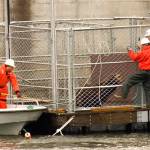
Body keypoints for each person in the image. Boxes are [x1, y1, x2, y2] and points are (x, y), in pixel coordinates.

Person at [115, 37, 150, 106]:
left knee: (129, 80)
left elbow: (135, 57)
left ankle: (123, 95)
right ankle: (149, 105)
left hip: (144, 71)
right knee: (148, 88)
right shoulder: (145, 50)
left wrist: (129, 50)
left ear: (143, 45)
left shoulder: (144, 52)